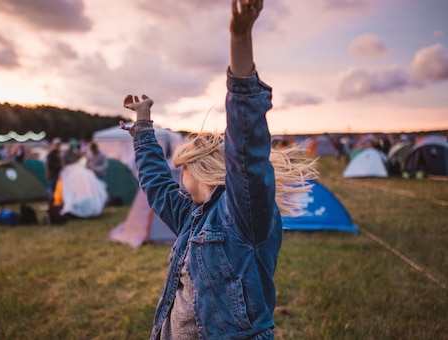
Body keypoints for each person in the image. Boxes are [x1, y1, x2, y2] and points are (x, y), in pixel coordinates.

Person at [121, 0, 318, 338]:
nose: (176, 178)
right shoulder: (191, 216)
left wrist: (240, 43)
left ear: (198, 169)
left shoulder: (243, 215)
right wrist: (142, 124)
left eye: (181, 169)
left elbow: (246, 149)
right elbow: (155, 184)